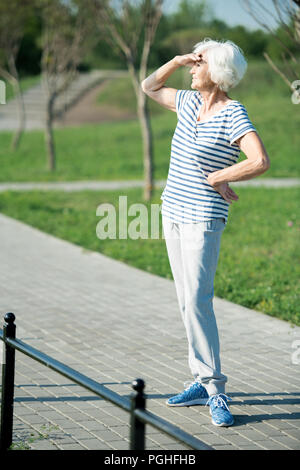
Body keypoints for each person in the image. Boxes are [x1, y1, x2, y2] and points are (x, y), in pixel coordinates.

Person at [141, 38, 270, 427]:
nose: (191, 69)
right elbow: (148, 87)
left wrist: (219, 176)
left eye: (198, 64)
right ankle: (200, 380)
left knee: (198, 299)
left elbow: (259, 160)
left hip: (203, 217)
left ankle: (215, 389)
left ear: (216, 71)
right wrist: (177, 59)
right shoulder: (187, 103)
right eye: (191, 63)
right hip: (173, 212)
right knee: (185, 300)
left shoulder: (233, 114)